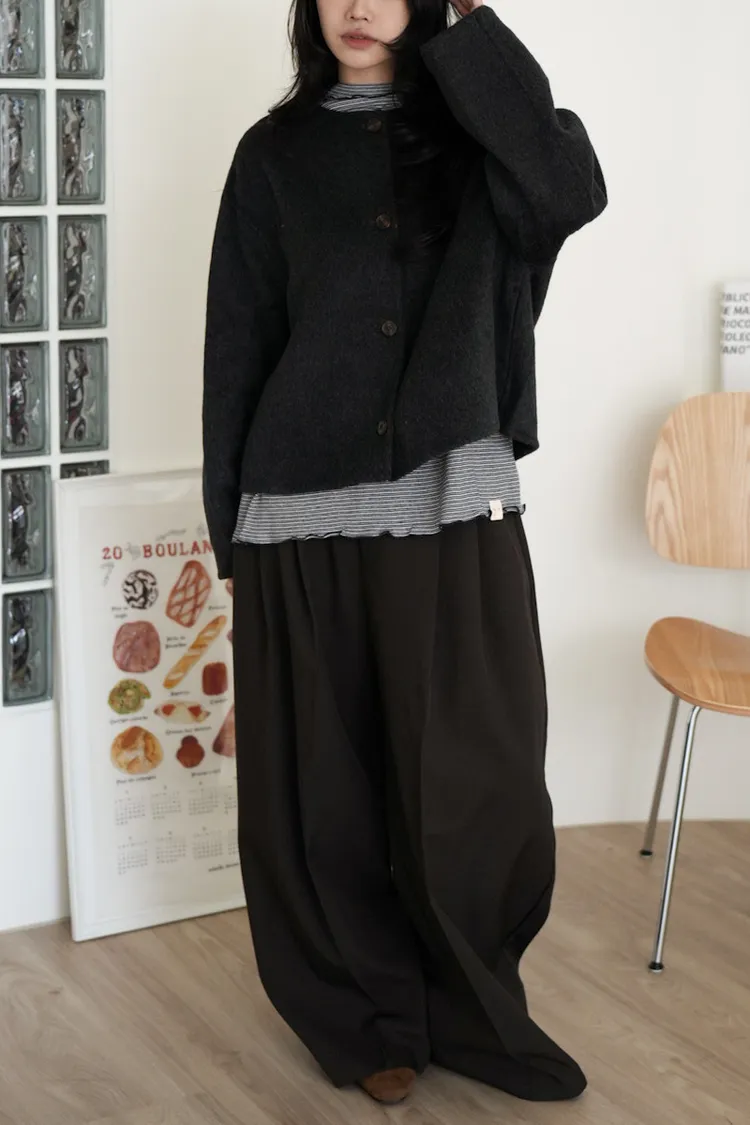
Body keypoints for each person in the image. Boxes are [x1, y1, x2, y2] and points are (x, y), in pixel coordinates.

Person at [202, 0, 607, 1107]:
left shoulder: (484, 140)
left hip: (453, 500)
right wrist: (232, 534)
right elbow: (238, 343)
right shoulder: (272, 156)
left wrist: (470, 30)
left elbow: (568, 191)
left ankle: (474, 1009)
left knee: (480, 781)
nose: (358, 5)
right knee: (324, 793)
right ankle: (366, 1016)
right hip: (298, 513)